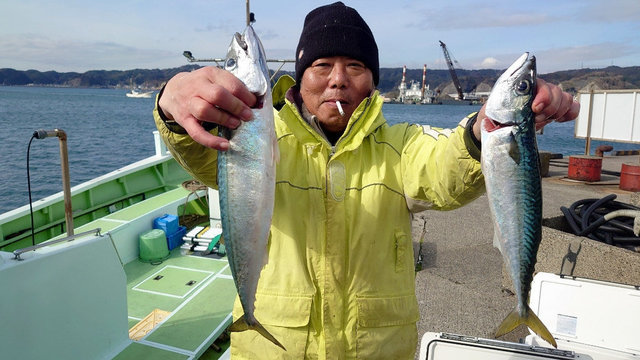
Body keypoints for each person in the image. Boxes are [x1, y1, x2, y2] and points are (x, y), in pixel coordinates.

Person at [154, 2, 580, 359]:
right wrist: (171, 104)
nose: (338, 78)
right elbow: (201, 155)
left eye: (354, 65)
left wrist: (483, 129)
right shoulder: (259, 138)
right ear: (299, 78)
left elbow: (444, 168)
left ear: (374, 81)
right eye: (322, 65)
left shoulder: (400, 145)